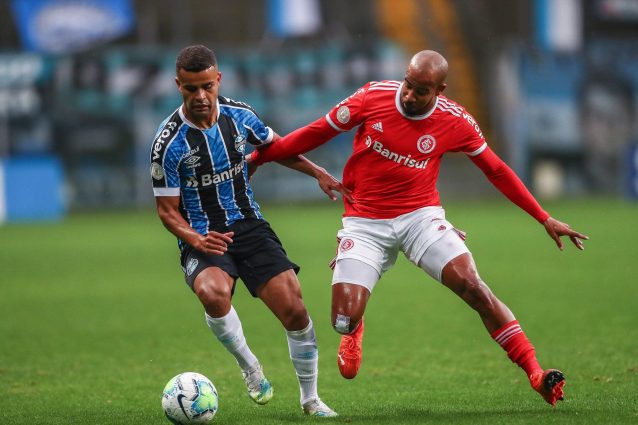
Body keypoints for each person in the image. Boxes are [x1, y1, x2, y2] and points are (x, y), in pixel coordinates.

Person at [249, 50, 589, 407]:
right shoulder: (372, 97)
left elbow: (497, 170)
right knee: (342, 320)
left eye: (421, 91)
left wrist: (543, 216)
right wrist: (261, 157)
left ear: (440, 90)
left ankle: (535, 372)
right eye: (408, 85)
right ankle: (354, 326)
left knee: (474, 287)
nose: (410, 95)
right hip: (364, 222)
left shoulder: (456, 121)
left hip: (420, 218)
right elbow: (314, 133)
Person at [150, 45, 348, 417]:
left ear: (218, 79)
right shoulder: (167, 143)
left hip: (248, 224)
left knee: (294, 308)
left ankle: (311, 400)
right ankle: (249, 366)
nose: (200, 96)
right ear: (178, 85)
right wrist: (194, 238)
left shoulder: (240, 116)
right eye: (191, 89)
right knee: (212, 292)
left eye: (207, 86)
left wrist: (318, 172)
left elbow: (277, 148)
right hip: (203, 235)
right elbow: (166, 211)